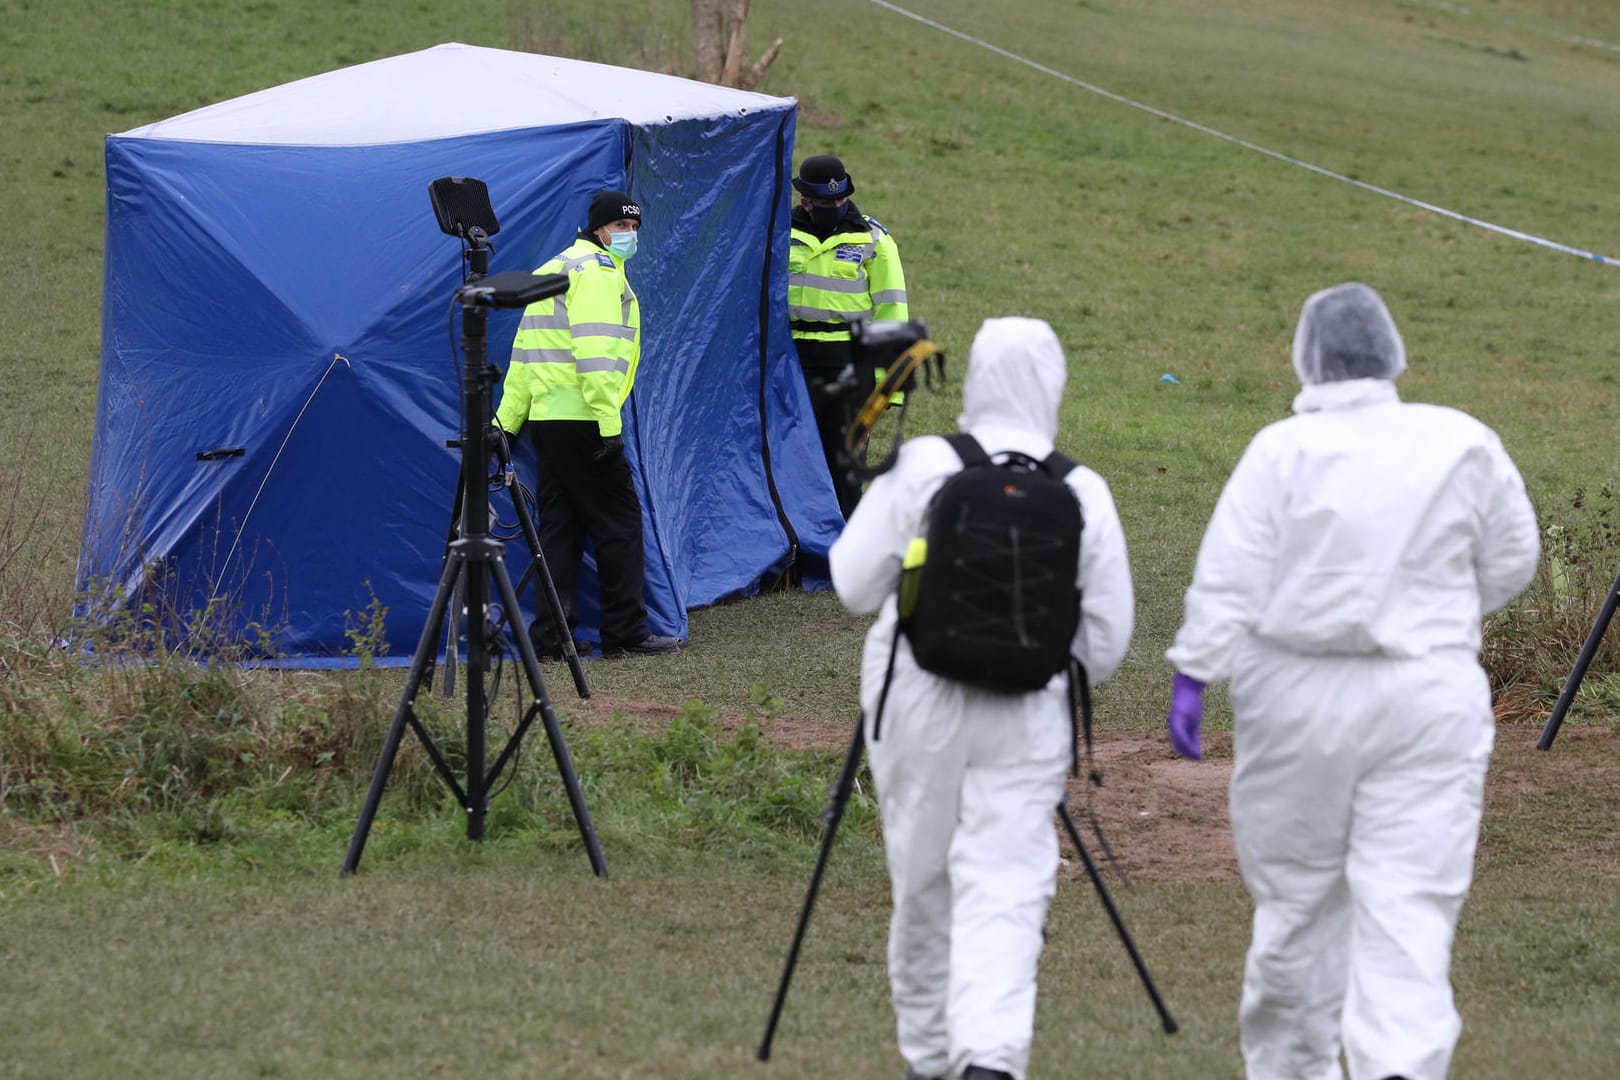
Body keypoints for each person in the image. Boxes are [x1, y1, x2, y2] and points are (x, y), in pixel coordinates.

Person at [1164, 283, 1540, 1080]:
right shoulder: (1460, 440)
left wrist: (1197, 668)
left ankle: (1294, 1066)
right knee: (1410, 899)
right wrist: (1440, 611)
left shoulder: (1281, 451)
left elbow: (1231, 569)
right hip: (1426, 694)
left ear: (1308, 358)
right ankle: (1399, 1063)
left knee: (1298, 901)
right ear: (1392, 351)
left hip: (1295, 697)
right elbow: (1514, 555)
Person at [831, 317, 1135, 1080]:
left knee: (923, 874)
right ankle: (990, 1057)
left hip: (918, 702)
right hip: (1029, 713)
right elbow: (1107, 641)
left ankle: (929, 1058)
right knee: (1006, 880)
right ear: (1054, 385)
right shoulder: (1081, 487)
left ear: (972, 378)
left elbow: (852, 583)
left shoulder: (927, 463)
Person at [495, 190, 681, 658]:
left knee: (561, 529)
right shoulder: (597, 275)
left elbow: (526, 355)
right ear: (598, 229)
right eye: (621, 227)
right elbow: (595, 354)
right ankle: (625, 633)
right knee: (619, 523)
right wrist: (607, 424)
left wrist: (506, 422)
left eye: (635, 227)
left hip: (547, 419)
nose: (629, 235)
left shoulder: (556, 267)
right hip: (584, 418)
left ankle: (551, 639)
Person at [787, 154, 909, 518]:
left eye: (839, 200)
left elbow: (893, 313)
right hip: (792, 359)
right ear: (805, 200)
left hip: (849, 365)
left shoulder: (874, 239)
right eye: (824, 202)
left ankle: (844, 560)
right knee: (791, 460)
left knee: (846, 465)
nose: (834, 206)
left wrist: (892, 386)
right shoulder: (780, 231)